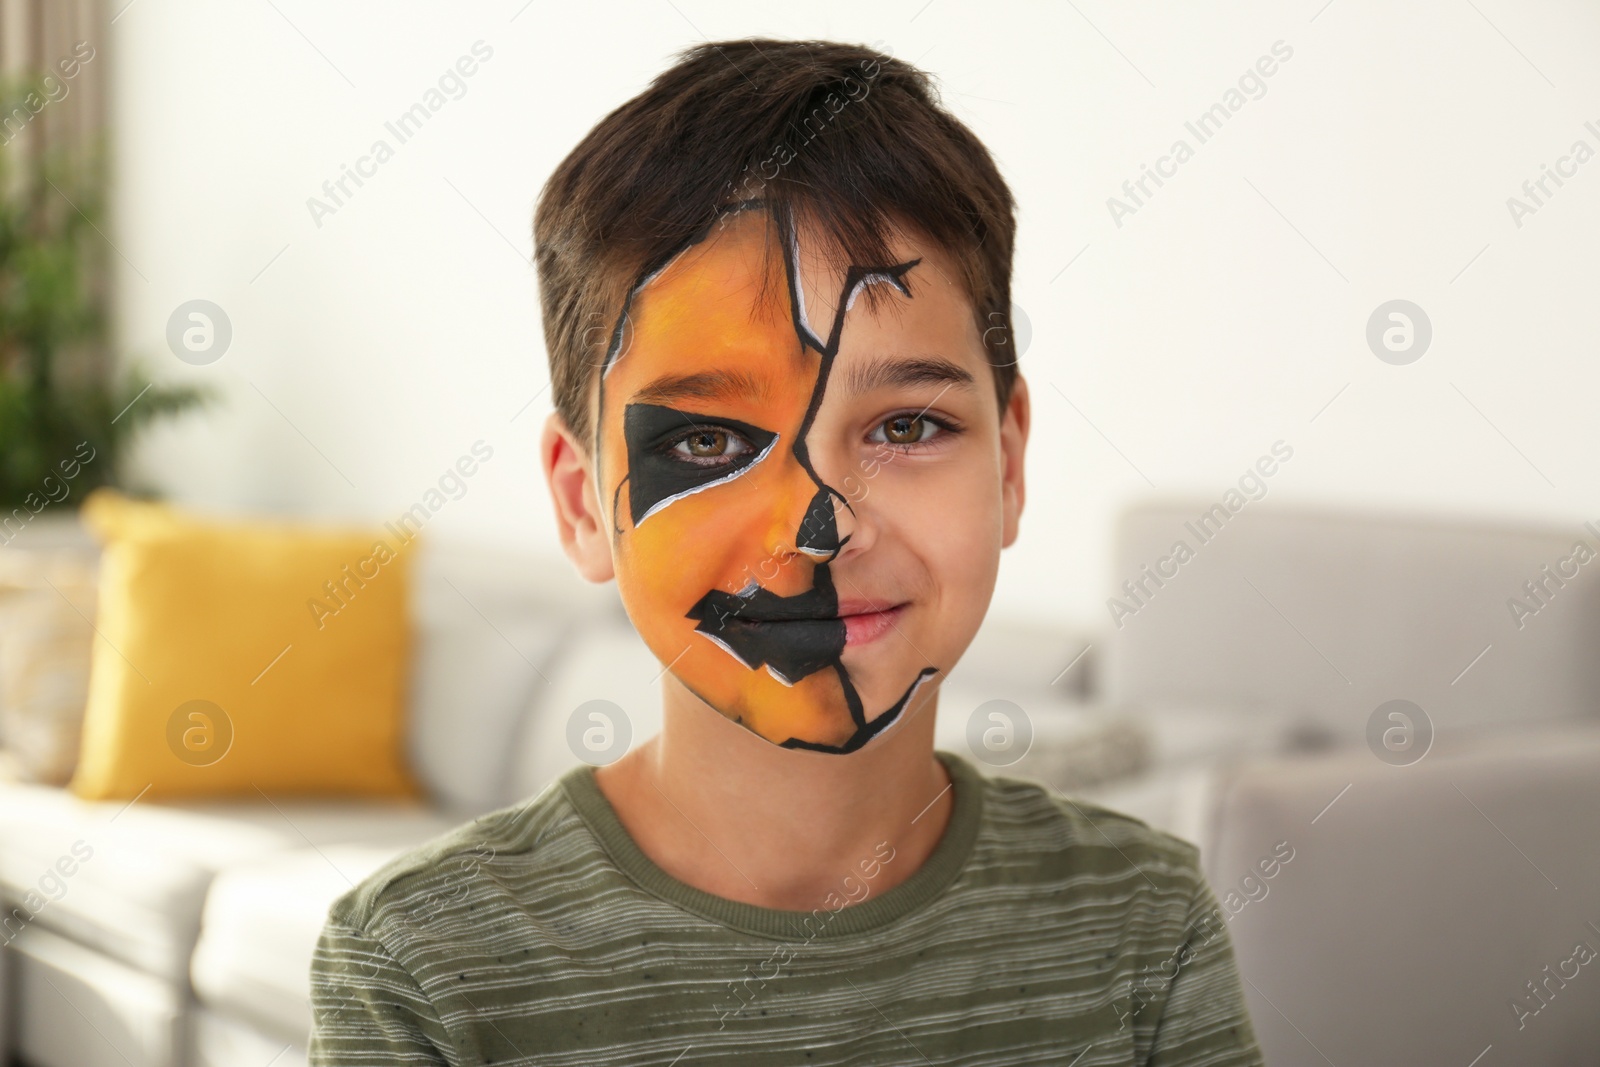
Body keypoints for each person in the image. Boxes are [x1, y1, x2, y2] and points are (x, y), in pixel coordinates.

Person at [308, 37, 1264, 1065]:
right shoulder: (420, 965)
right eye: (708, 441)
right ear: (584, 502)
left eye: (905, 426)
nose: (823, 523)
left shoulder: (1142, 925)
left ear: (1010, 463)